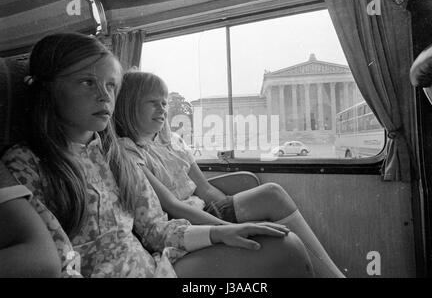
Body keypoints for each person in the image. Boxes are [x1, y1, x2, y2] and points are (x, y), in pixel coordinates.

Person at [2, 32, 313, 278]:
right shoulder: (24, 165)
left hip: (154, 268)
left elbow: (156, 230)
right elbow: (56, 262)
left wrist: (221, 232)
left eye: (112, 85)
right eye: (87, 82)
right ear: (47, 89)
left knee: (284, 248)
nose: (104, 95)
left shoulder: (114, 158)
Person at [114, 71, 345, 278]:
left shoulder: (173, 142)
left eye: (164, 103)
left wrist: (232, 211)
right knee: (282, 237)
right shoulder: (129, 151)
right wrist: (224, 228)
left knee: (272, 194)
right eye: (152, 103)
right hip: (184, 221)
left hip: (203, 207)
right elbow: (172, 206)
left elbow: (205, 189)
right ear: (129, 107)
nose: (162, 109)